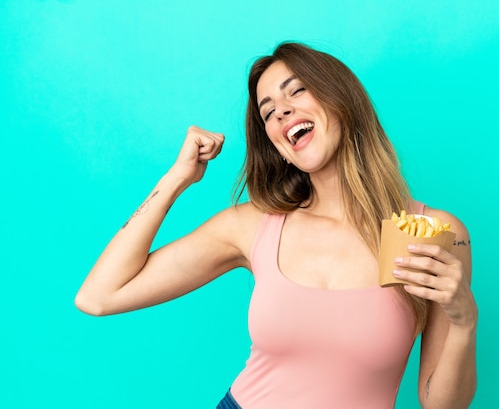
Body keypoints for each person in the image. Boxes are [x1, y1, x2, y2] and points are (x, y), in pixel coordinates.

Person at [75, 42, 478, 409]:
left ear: (342, 100)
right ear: (278, 146)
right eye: (268, 111)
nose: (281, 109)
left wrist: (463, 321)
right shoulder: (253, 227)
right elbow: (99, 296)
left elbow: (441, 405)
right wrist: (177, 178)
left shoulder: (430, 232)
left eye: (297, 90)